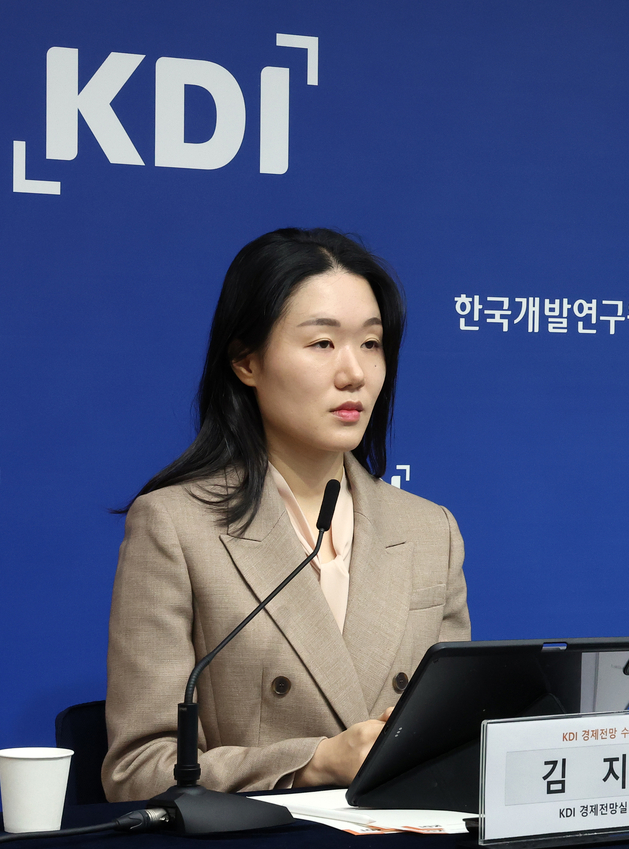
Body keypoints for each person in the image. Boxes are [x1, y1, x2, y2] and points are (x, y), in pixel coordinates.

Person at [102, 228, 469, 802]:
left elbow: (456, 739)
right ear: (245, 361)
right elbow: (137, 770)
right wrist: (315, 762)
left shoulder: (430, 531)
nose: (354, 373)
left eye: (371, 344)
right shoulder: (176, 526)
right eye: (322, 343)